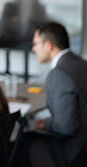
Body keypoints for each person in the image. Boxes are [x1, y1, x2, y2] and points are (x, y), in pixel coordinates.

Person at [13, 22, 87, 166]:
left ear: (48, 45)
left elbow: (66, 126)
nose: (33, 49)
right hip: (84, 145)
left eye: (35, 44)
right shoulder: (82, 65)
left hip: (71, 149)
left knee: (16, 145)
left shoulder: (59, 74)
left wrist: (44, 123)